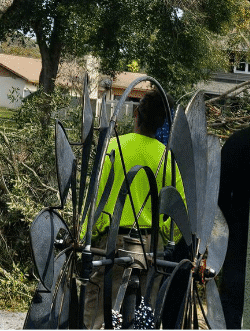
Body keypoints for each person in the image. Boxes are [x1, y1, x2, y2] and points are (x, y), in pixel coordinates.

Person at [84, 89, 184, 328]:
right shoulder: (167, 159)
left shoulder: (115, 146)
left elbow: (95, 199)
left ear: (136, 113)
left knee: (100, 312)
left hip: (113, 244)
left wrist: (88, 238)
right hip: (152, 250)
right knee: (145, 317)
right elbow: (179, 212)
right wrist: (162, 236)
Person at [217, 86, 250, 329]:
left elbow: (218, 198)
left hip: (236, 243)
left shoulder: (236, 144)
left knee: (230, 311)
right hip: (238, 241)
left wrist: (232, 224)